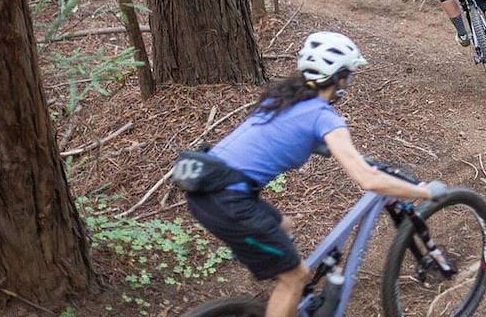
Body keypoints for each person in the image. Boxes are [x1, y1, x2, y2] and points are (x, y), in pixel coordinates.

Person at [184, 31, 446, 317]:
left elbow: (273, 137)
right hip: (230, 202)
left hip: (208, 189)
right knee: (295, 277)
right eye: (350, 75)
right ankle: (289, 286)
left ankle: (289, 293)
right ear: (341, 78)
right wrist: (427, 192)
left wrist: (320, 145)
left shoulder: (282, 98)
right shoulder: (323, 116)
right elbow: (368, 180)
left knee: (285, 225)